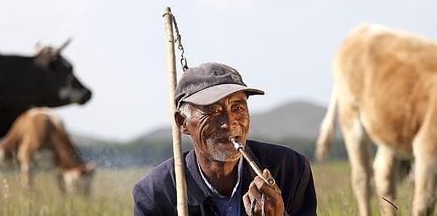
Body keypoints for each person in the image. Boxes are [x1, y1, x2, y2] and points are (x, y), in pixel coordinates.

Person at [133, 62, 317, 215]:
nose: (229, 124)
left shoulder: (290, 170)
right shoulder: (156, 194)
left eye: (238, 108)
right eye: (212, 110)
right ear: (182, 123)